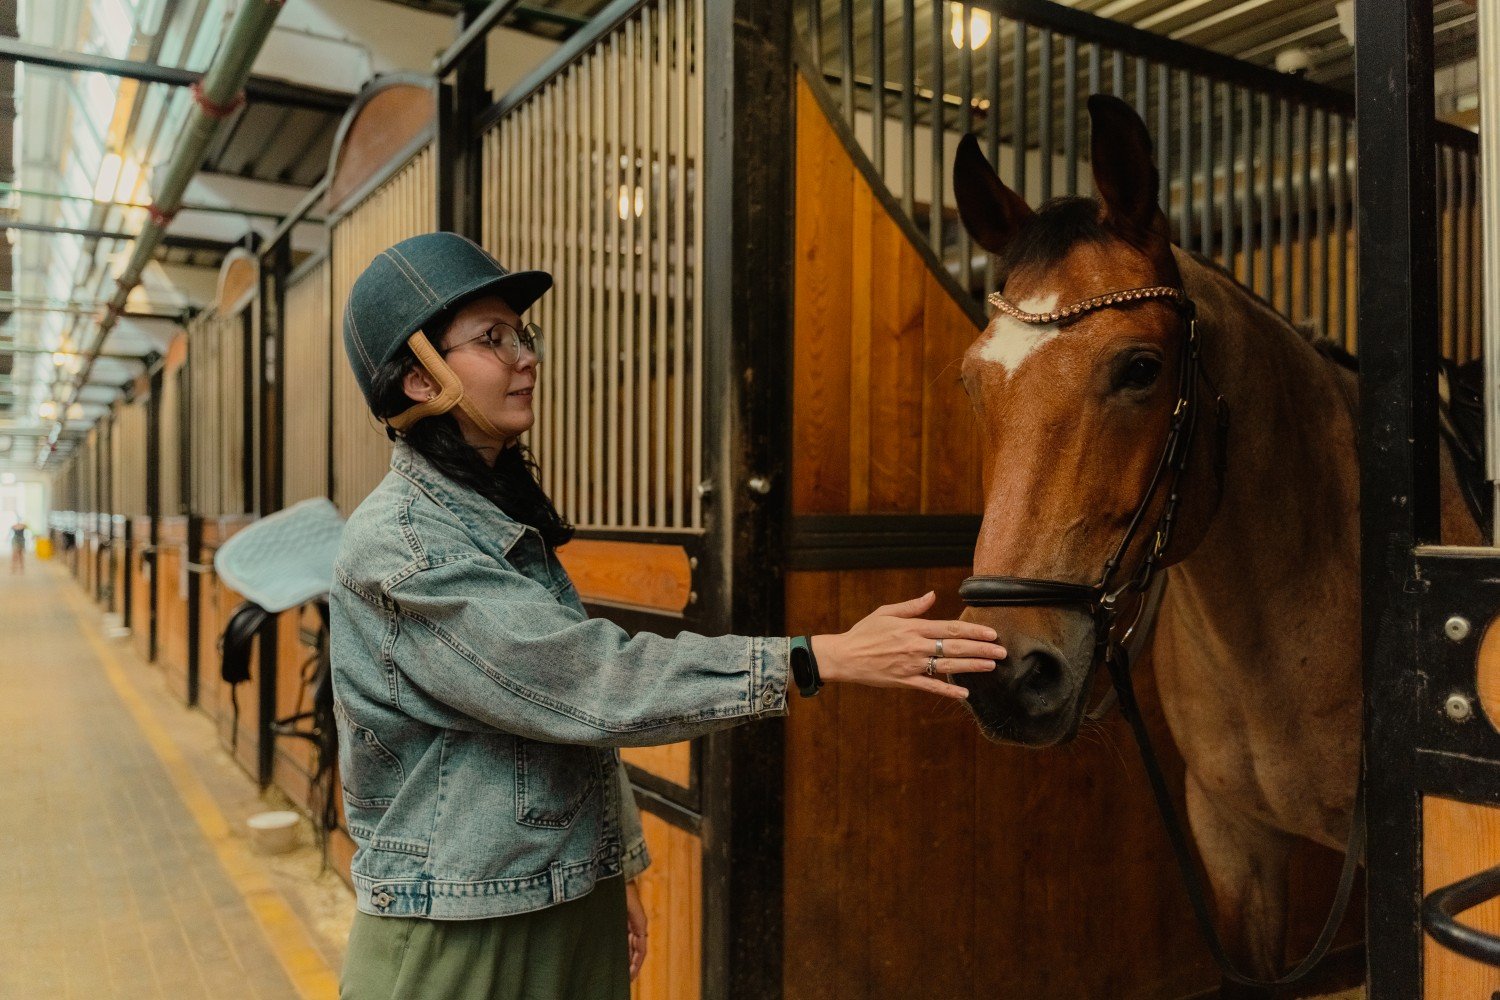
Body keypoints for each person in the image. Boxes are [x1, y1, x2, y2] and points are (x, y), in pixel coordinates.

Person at [331, 233, 1006, 1000]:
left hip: (560, 898)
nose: (526, 356)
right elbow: (587, 685)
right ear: (420, 379)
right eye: (493, 339)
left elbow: (564, 727)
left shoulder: (490, 512)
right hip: (458, 932)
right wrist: (813, 656)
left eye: (524, 334)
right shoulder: (402, 546)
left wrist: (618, 864)